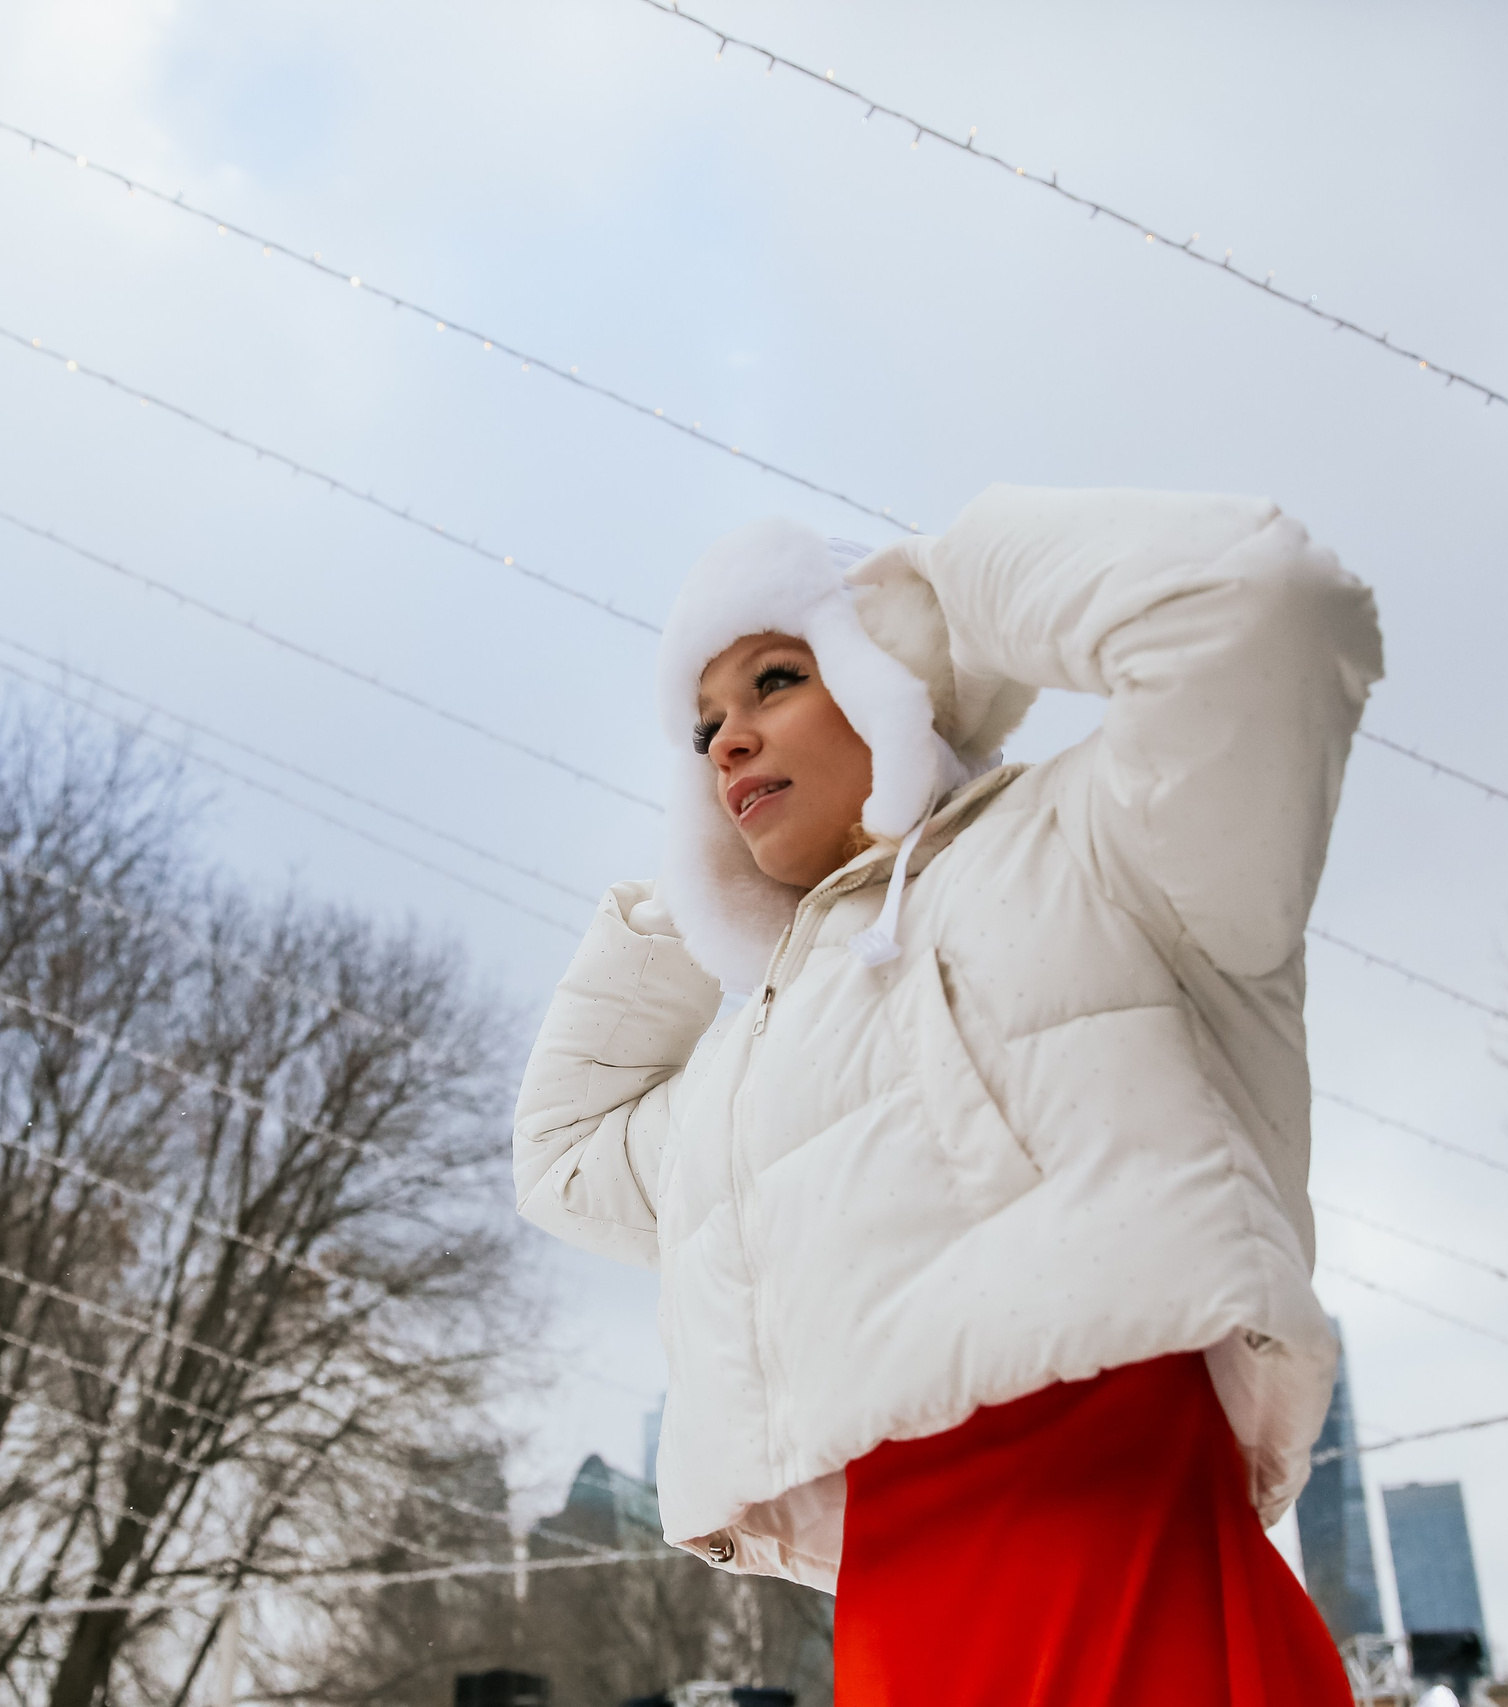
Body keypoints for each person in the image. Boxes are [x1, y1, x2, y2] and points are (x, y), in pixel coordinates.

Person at [513, 486, 1382, 1703]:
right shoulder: (754, 1063)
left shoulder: (1095, 848)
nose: (722, 742)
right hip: (902, 1644)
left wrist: (930, 597)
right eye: (700, 724)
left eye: (775, 679)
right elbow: (562, 1155)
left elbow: (1257, 605)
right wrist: (686, 899)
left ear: (887, 674)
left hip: (1131, 1598)